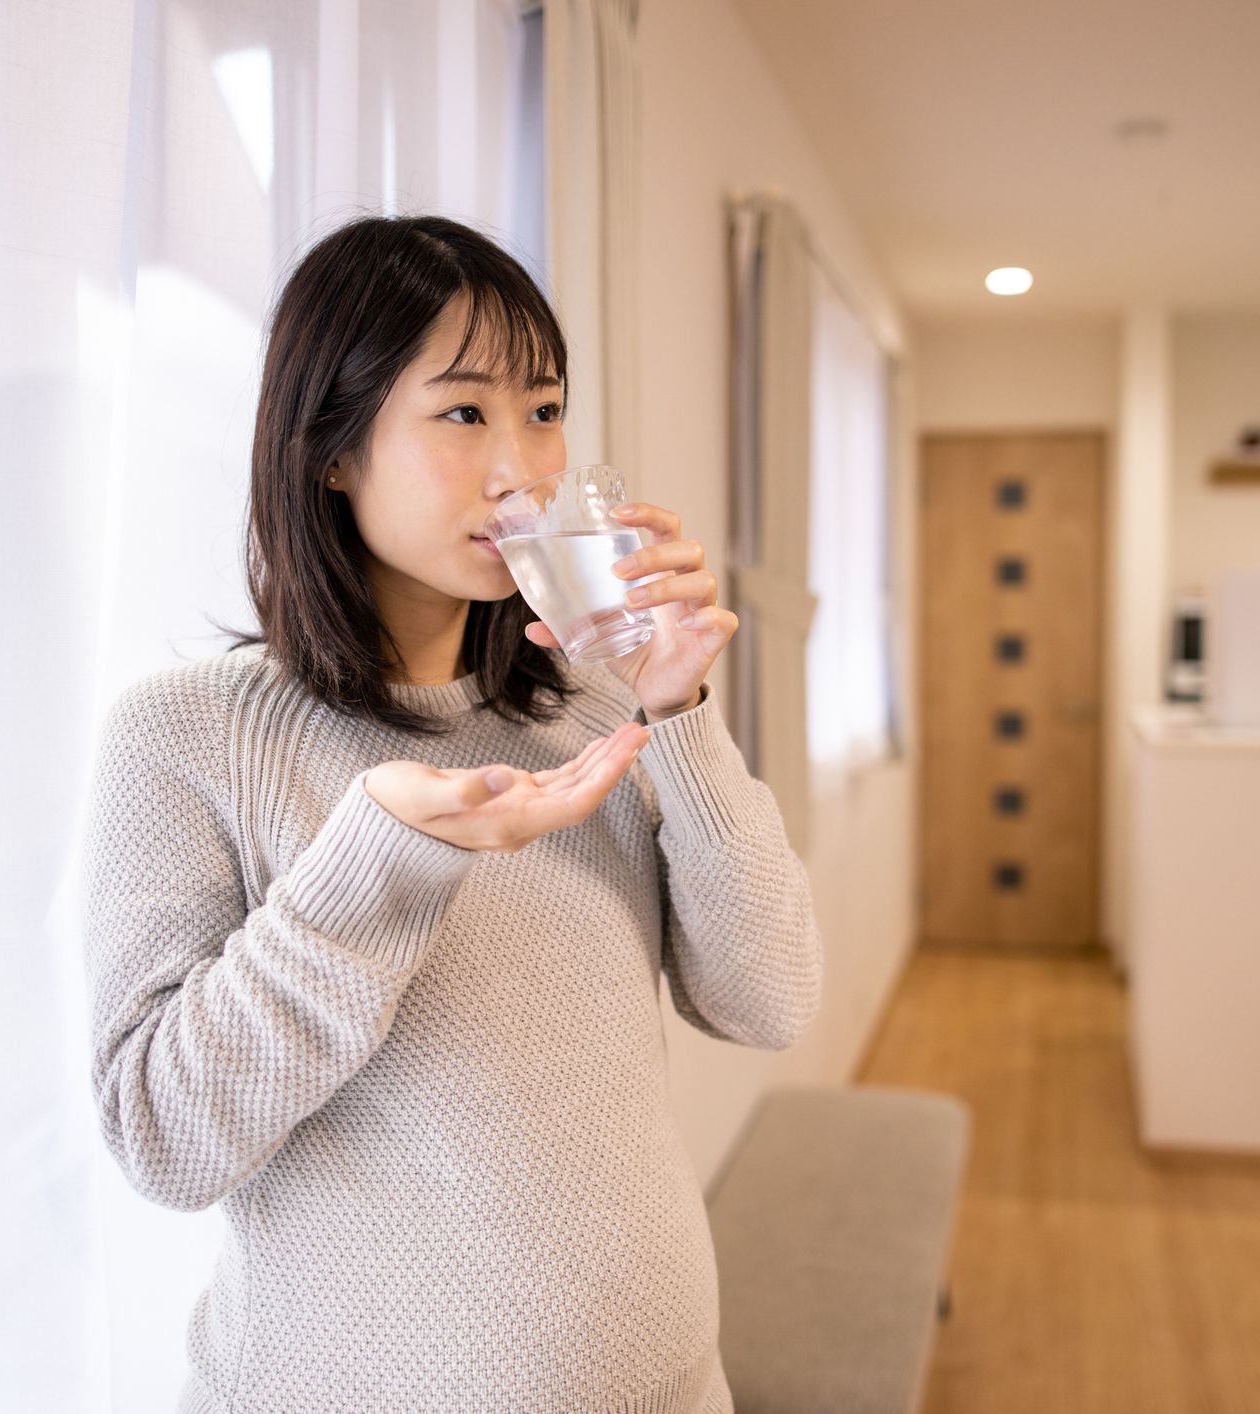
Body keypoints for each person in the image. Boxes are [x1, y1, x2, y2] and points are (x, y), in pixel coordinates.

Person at [79, 213, 823, 1414]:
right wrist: (379, 855)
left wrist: (677, 707)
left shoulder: (597, 709)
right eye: (465, 411)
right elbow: (166, 1135)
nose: (524, 465)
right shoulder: (183, 737)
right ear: (330, 448)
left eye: (544, 408)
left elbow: (769, 996)